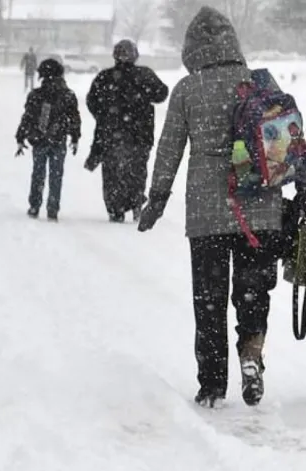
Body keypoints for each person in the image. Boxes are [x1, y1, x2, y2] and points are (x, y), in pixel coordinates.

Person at [138, 7, 281, 408]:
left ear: (191, 48)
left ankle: (212, 385)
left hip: (208, 214)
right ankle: (251, 356)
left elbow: (169, 151)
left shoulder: (188, 89)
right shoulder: (256, 84)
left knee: (210, 300)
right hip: (261, 209)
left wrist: (156, 200)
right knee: (253, 293)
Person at [86, 39, 169, 222]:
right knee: (137, 171)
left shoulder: (105, 77)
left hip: (111, 135)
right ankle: (136, 201)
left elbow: (92, 101)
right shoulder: (144, 75)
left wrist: (105, 116)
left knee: (112, 173)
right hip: (140, 135)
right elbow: (162, 93)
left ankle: (115, 208)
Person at [15, 59, 81, 222]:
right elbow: (74, 118)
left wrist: (21, 136)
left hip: (39, 139)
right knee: (56, 175)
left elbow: (28, 117)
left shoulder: (36, 95)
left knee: (38, 173)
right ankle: (53, 208)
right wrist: (75, 136)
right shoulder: (68, 95)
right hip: (59, 139)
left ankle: (34, 205)